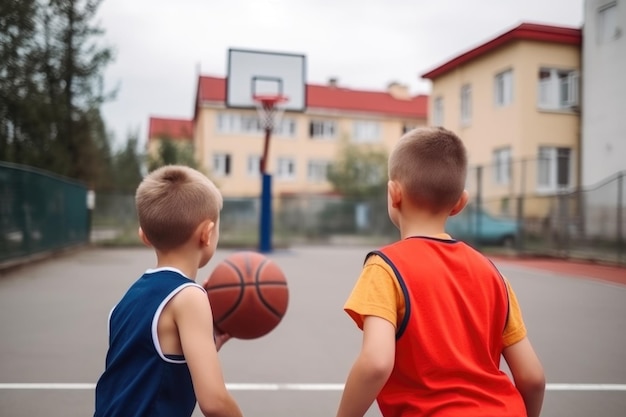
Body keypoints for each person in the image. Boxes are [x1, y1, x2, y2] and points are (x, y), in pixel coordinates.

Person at [335, 127, 545, 417]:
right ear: (460, 202)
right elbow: (533, 378)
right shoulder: (493, 275)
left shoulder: (385, 268)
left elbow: (376, 363)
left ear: (393, 193)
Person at [94, 165, 243, 417]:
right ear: (207, 234)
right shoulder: (189, 297)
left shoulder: (131, 297)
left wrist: (208, 343)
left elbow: (148, 367)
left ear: (144, 236)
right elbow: (214, 402)